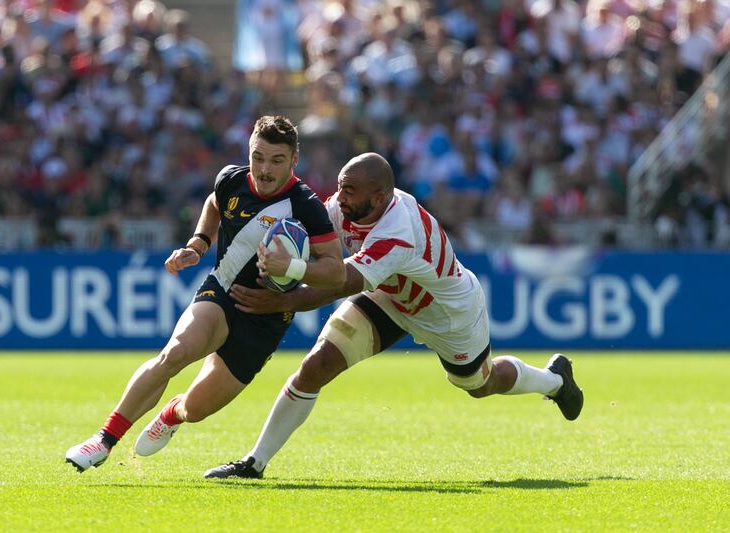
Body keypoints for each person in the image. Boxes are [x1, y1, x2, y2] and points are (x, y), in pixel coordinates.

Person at [199, 152, 584, 479]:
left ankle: (553, 381)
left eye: (350, 191)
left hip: (446, 313)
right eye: (340, 186)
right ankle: (254, 463)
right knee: (316, 365)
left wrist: (285, 295)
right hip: (388, 298)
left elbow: (341, 281)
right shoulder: (342, 207)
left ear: (380, 197)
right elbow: (322, 256)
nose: (340, 197)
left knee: (479, 385)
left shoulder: (399, 228)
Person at [65, 115, 345, 471]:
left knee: (194, 409)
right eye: (258, 157)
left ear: (293, 160)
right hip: (222, 292)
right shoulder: (230, 179)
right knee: (174, 354)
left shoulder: (306, 206)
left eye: (276, 160)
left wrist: (289, 269)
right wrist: (197, 245)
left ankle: (171, 415)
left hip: (265, 321)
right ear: (249, 152)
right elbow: (214, 204)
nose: (265, 169)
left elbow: (335, 271)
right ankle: (103, 440)